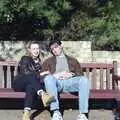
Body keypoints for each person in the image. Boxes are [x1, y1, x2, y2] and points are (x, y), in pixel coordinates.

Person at [42, 40, 90, 120]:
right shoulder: (48, 61)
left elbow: (80, 74)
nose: (54, 50)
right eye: (52, 49)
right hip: (57, 83)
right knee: (48, 78)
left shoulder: (72, 60)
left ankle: (83, 114)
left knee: (84, 80)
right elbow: (42, 76)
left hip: (70, 82)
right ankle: (56, 112)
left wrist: (71, 74)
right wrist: (55, 76)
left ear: (61, 46)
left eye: (56, 47)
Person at [12, 41, 54, 120]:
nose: (36, 51)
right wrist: (41, 74)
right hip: (19, 83)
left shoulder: (40, 62)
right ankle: (43, 95)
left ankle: (26, 113)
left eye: (37, 48)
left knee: (31, 87)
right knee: (31, 76)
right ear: (29, 50)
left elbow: (40, 79)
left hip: (31, 85)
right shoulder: (25, 58)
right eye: (33, 49)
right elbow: (25, 72)